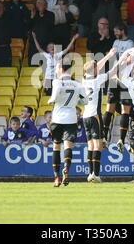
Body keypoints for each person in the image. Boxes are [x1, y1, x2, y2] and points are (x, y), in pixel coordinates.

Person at [47, 58, 87, 187]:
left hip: (57, 119)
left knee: (56, 147)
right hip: (71, 118)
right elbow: (85, 101)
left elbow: (54, 97)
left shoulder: (57, 82)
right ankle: (66, 171)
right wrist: (75, 101)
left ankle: (56, 176)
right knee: (68, 146)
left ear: (60, 69)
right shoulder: (78, 84)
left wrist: (50, 101)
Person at [82, 49, 119, 181]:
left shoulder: (84, 79)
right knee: (98, 145)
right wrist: (123, 60)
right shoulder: (97, 80)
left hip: (85, 116)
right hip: (95, 116)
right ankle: (96, 175)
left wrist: (108, 55)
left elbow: (96, 68)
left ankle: (90, 173)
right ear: (95, 70)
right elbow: (113, 72)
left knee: (90, 145)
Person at [28, 0, 55, 66]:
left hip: (45, 45)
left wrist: (41, 13)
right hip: (33, 45)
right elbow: (27, 26)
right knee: (33, 65)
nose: (40, 5)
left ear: (46, 5)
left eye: (42, 3)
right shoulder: (32, 13)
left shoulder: (50, 14)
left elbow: (49, 25)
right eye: (39, 3)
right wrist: (31, 17)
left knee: (45, 66)